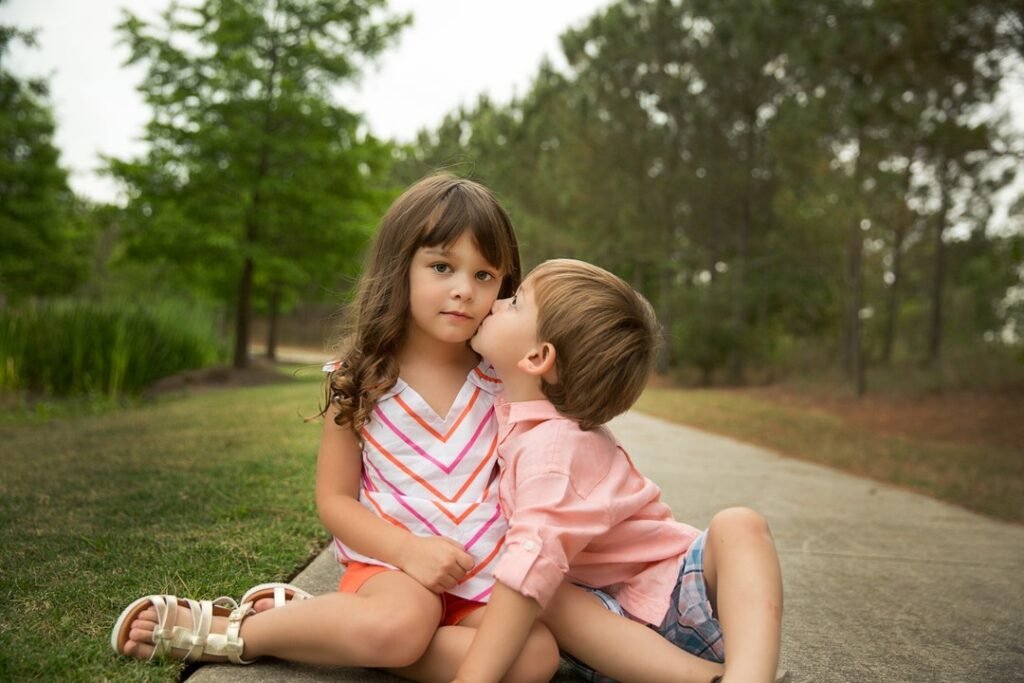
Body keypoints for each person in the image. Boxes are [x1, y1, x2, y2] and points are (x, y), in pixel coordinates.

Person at [110, 173, 560, 683]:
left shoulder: (502, 377)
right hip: (391, 572)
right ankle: (242, 632)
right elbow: (336, 500)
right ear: (401, 270)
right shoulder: (362, 376)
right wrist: (408, 551)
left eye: (485, 276)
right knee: (402, 622)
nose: (463, 291)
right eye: (441, 266)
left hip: (478, 577)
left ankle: (327, 628)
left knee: (536, 657)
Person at [456, 259, 786, 683]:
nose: (498, 304)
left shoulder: (554, 446)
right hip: (611, 629)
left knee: (740, 525)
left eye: (516, 303)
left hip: (678, 588)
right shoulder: (522, 420)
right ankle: (710, 677)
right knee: (549, 592)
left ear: (538, 357)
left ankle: (749, 676)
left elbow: (533, 552)